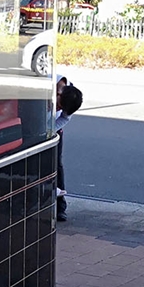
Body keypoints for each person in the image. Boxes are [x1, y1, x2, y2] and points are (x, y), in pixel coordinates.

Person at [54, 76, 83, 222]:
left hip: (53, 127)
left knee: (56, 164)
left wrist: (50, 130)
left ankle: (60, 207)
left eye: (60, 108)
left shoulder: (70, 97)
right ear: (57, 93)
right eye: (58, 106)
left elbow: (64, 118)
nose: (58, 108)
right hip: (37, 124)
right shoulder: (48, 82)